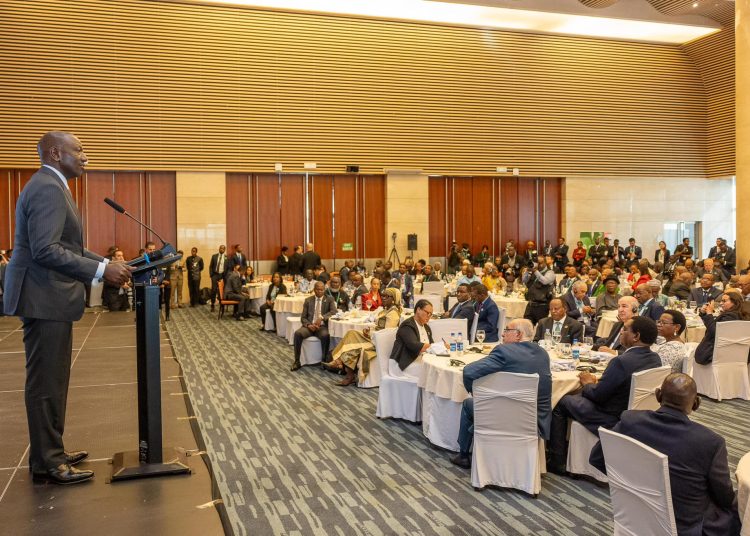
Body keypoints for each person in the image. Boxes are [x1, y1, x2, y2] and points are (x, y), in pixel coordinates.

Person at [3, 131, 133, 484]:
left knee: (52, 380)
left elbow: (68, 248)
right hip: (44, 297)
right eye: (79, 149)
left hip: (47, 297)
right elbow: (46, 250)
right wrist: (104, 269)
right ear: (56, 153)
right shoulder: (47, 187)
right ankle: (49, 461)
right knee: (46, 382)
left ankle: (48, 453)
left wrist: (108, 266)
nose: (85, 156)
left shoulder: (51, 184)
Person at [589, 374, 740, 536]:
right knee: (742, 506)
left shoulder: (630, 421)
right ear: (696, 404)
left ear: (658, 395)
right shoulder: (710, 442)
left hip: (635, 513)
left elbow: (596, 458)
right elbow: (725, 498)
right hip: (685, 527)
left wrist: (629, 481)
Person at [548, 317, 662, 474]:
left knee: (561, 401)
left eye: (625, 329)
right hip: (635, 415)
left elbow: (597, 396)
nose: (621, 332)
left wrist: (588, 383)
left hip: (610, 417)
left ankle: (557, 460)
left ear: (636, 336)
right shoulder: (655, 358)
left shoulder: (621, 361)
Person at [450, 319, 552, 469]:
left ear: (518, 335)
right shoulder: (543, 354)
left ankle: (464, 455)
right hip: (534, 421)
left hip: (503, 418)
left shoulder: (504, 351)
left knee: (468, 404)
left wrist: (479, 397)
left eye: (506, 330)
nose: (502, 334)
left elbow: (469, 371)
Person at [326, 288, 403, 386]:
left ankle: (345, 370)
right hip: (374, 337)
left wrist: (370, 333)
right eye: (382, 295)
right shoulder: (387, 310)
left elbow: (386, 334)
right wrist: (370, 331)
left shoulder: (393, 314)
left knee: (353, 347)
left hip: (379, 343)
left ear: (393, 299)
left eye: (386, 296)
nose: (383, 298)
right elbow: (379, 327)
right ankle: (339, 362)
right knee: (351, 333)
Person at [291, 281, 337, 371]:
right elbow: (303, 318)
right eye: (318, 289)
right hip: (309, 326)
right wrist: (308, 325)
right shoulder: (308, 300)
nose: (320, 291)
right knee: (298, 334)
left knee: (325, 335)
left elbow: (333, 312)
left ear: (324, 290)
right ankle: (297, 361)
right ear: (314, 290)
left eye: (322, 290)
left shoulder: (329, 299)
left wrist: (322, 318)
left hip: (321, 327)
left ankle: (324, 361)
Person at [694, 292, 750, 365]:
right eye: (721, 301)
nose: (720, 303)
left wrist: (709, 314)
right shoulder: (740, 314)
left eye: (724, 301)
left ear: (735, 302)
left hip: (717, 356)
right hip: (737, 355)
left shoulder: (731, 316)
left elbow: (716, 332)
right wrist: (704, 313)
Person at [389, 299, 434, 375]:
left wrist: (440, 347)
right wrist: (438, 346)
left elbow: (432, 344)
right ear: (418, 310)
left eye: (431, 314)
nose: (429, 316)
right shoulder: (407, 325)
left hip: (422, 360)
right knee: (432, 371)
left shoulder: (426, 327)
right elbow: (414, 345)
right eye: (427, 313)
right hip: (405, 363)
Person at [523, 255, 556, 324]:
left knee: (542, 328)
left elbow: (545, 281)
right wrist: (527, 271)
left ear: (545, 263)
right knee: (526, 326)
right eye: (536, 262)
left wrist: (535, 271)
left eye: (540, 263)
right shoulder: (533, 272)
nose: (538, 265)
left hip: (542, 306)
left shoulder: (550, 272)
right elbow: (524, 280)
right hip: (530, 305)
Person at [209, 244, 228, 313]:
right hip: (215, 275)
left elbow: (228, 268)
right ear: (219, 249)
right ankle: (212, 305)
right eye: (220, 248)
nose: (221, 249)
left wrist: (225, 276)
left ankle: (221, 305)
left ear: (224, 250)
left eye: (223, 249)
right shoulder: (214, 256)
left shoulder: (227, 257)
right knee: (213, 290)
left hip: (222, 275)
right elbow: (210, 266)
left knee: (221, 291)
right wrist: (211, 275)